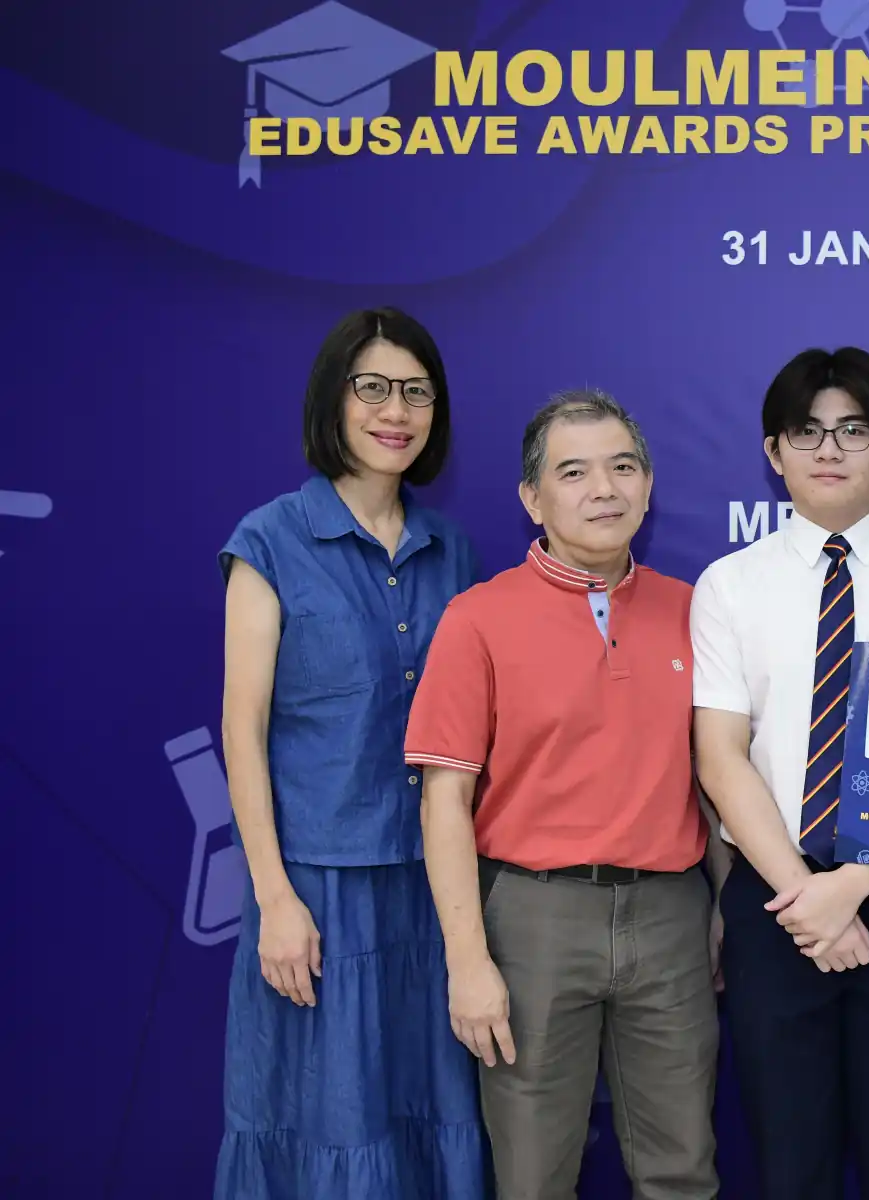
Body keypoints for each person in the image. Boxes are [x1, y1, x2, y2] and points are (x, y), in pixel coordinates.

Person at [404, 391, 725, 1200]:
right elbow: (444, 803)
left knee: (682, 1169)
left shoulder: (697, 611)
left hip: (672, 917)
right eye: (574, 472)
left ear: (649, 485)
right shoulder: (476, 619)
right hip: (532, 921)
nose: (604, 490)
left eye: (623, 467)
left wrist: (725, 907)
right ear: (532, 498)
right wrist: (468, 961)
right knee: (534, 1177)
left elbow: (717, 776)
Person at [690, 347, 869, 1200]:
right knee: (792, 1167)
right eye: (806, 431)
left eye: (853, 431)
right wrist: (804, 896)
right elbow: (720, 756)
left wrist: (848, 889)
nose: (829, 449)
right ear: (772, 451)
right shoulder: (729, 586)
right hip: (774, 902)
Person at [213, 307, 487, 1198]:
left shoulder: (454, 553)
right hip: (317, 897)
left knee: (430, 1115)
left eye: (416, 391)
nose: (395, 411)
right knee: (328, 1128)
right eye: (372, 388)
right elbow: (243, 731)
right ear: (333, 399)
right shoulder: (268, 541)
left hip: (435, 890)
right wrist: (273, 897)